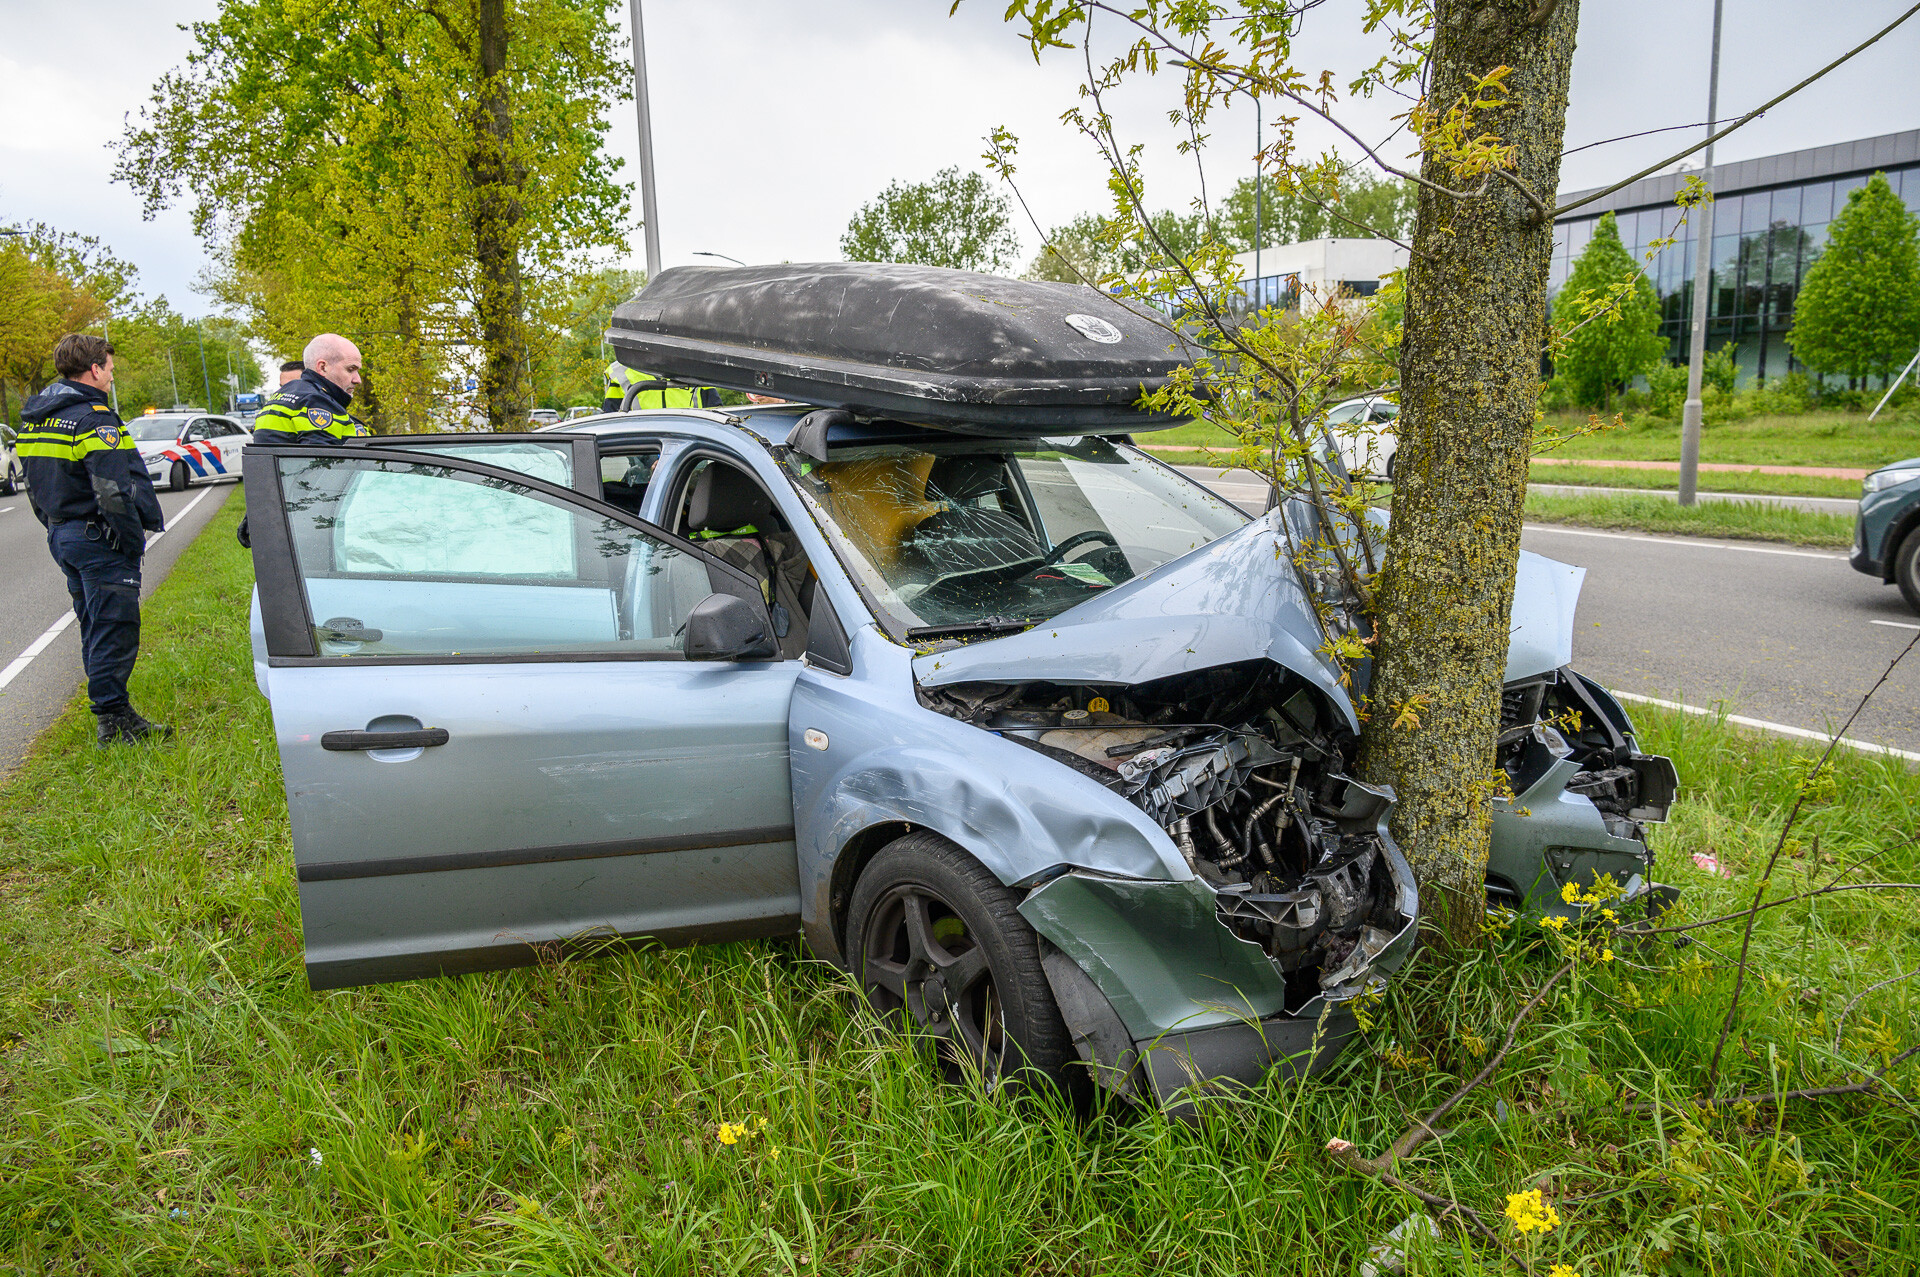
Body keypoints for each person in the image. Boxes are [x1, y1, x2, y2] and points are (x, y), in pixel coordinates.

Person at [18, 334, 171, 746]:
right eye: (110, 368)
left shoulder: (37, 417)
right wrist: (131, 541)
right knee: (114, 628)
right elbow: (111, 490)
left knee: (93, 623)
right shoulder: (93, 417)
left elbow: (32, 484)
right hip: (98, 538)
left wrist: (54, 526)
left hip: (65, 535)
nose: (111, 376)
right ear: (95, 369)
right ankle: (114, 720)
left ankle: (111, 711)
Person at [238, 334, 367, 547]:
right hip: (306, 529)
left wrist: (255, 512)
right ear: (323, 367)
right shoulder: (316, 403)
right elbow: (325, 476)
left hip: (276, 518)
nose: (357, 379)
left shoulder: (281, 398)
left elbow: (269, 467)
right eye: (350, 369)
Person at [602, 359, 721, 413]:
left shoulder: (696, 371)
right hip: (643, 461)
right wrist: (648, 458)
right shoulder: (621, 374)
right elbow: (612, 429)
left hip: (692, 458)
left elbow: (718, 422)